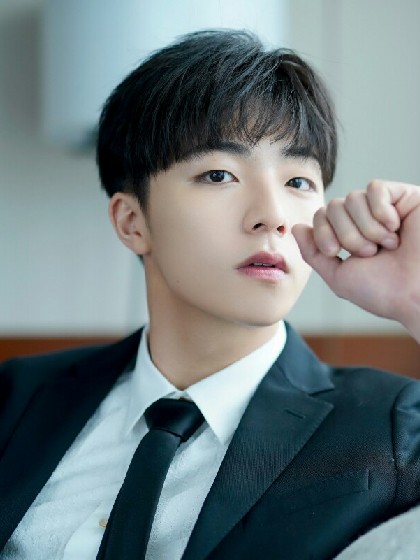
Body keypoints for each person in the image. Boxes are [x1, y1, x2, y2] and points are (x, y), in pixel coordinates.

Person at [1, 29, 419, 560]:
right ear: (132, 222)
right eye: (219, 174)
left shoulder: (394, 425)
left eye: (297, 182)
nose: (272, 215)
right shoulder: (18, 397)